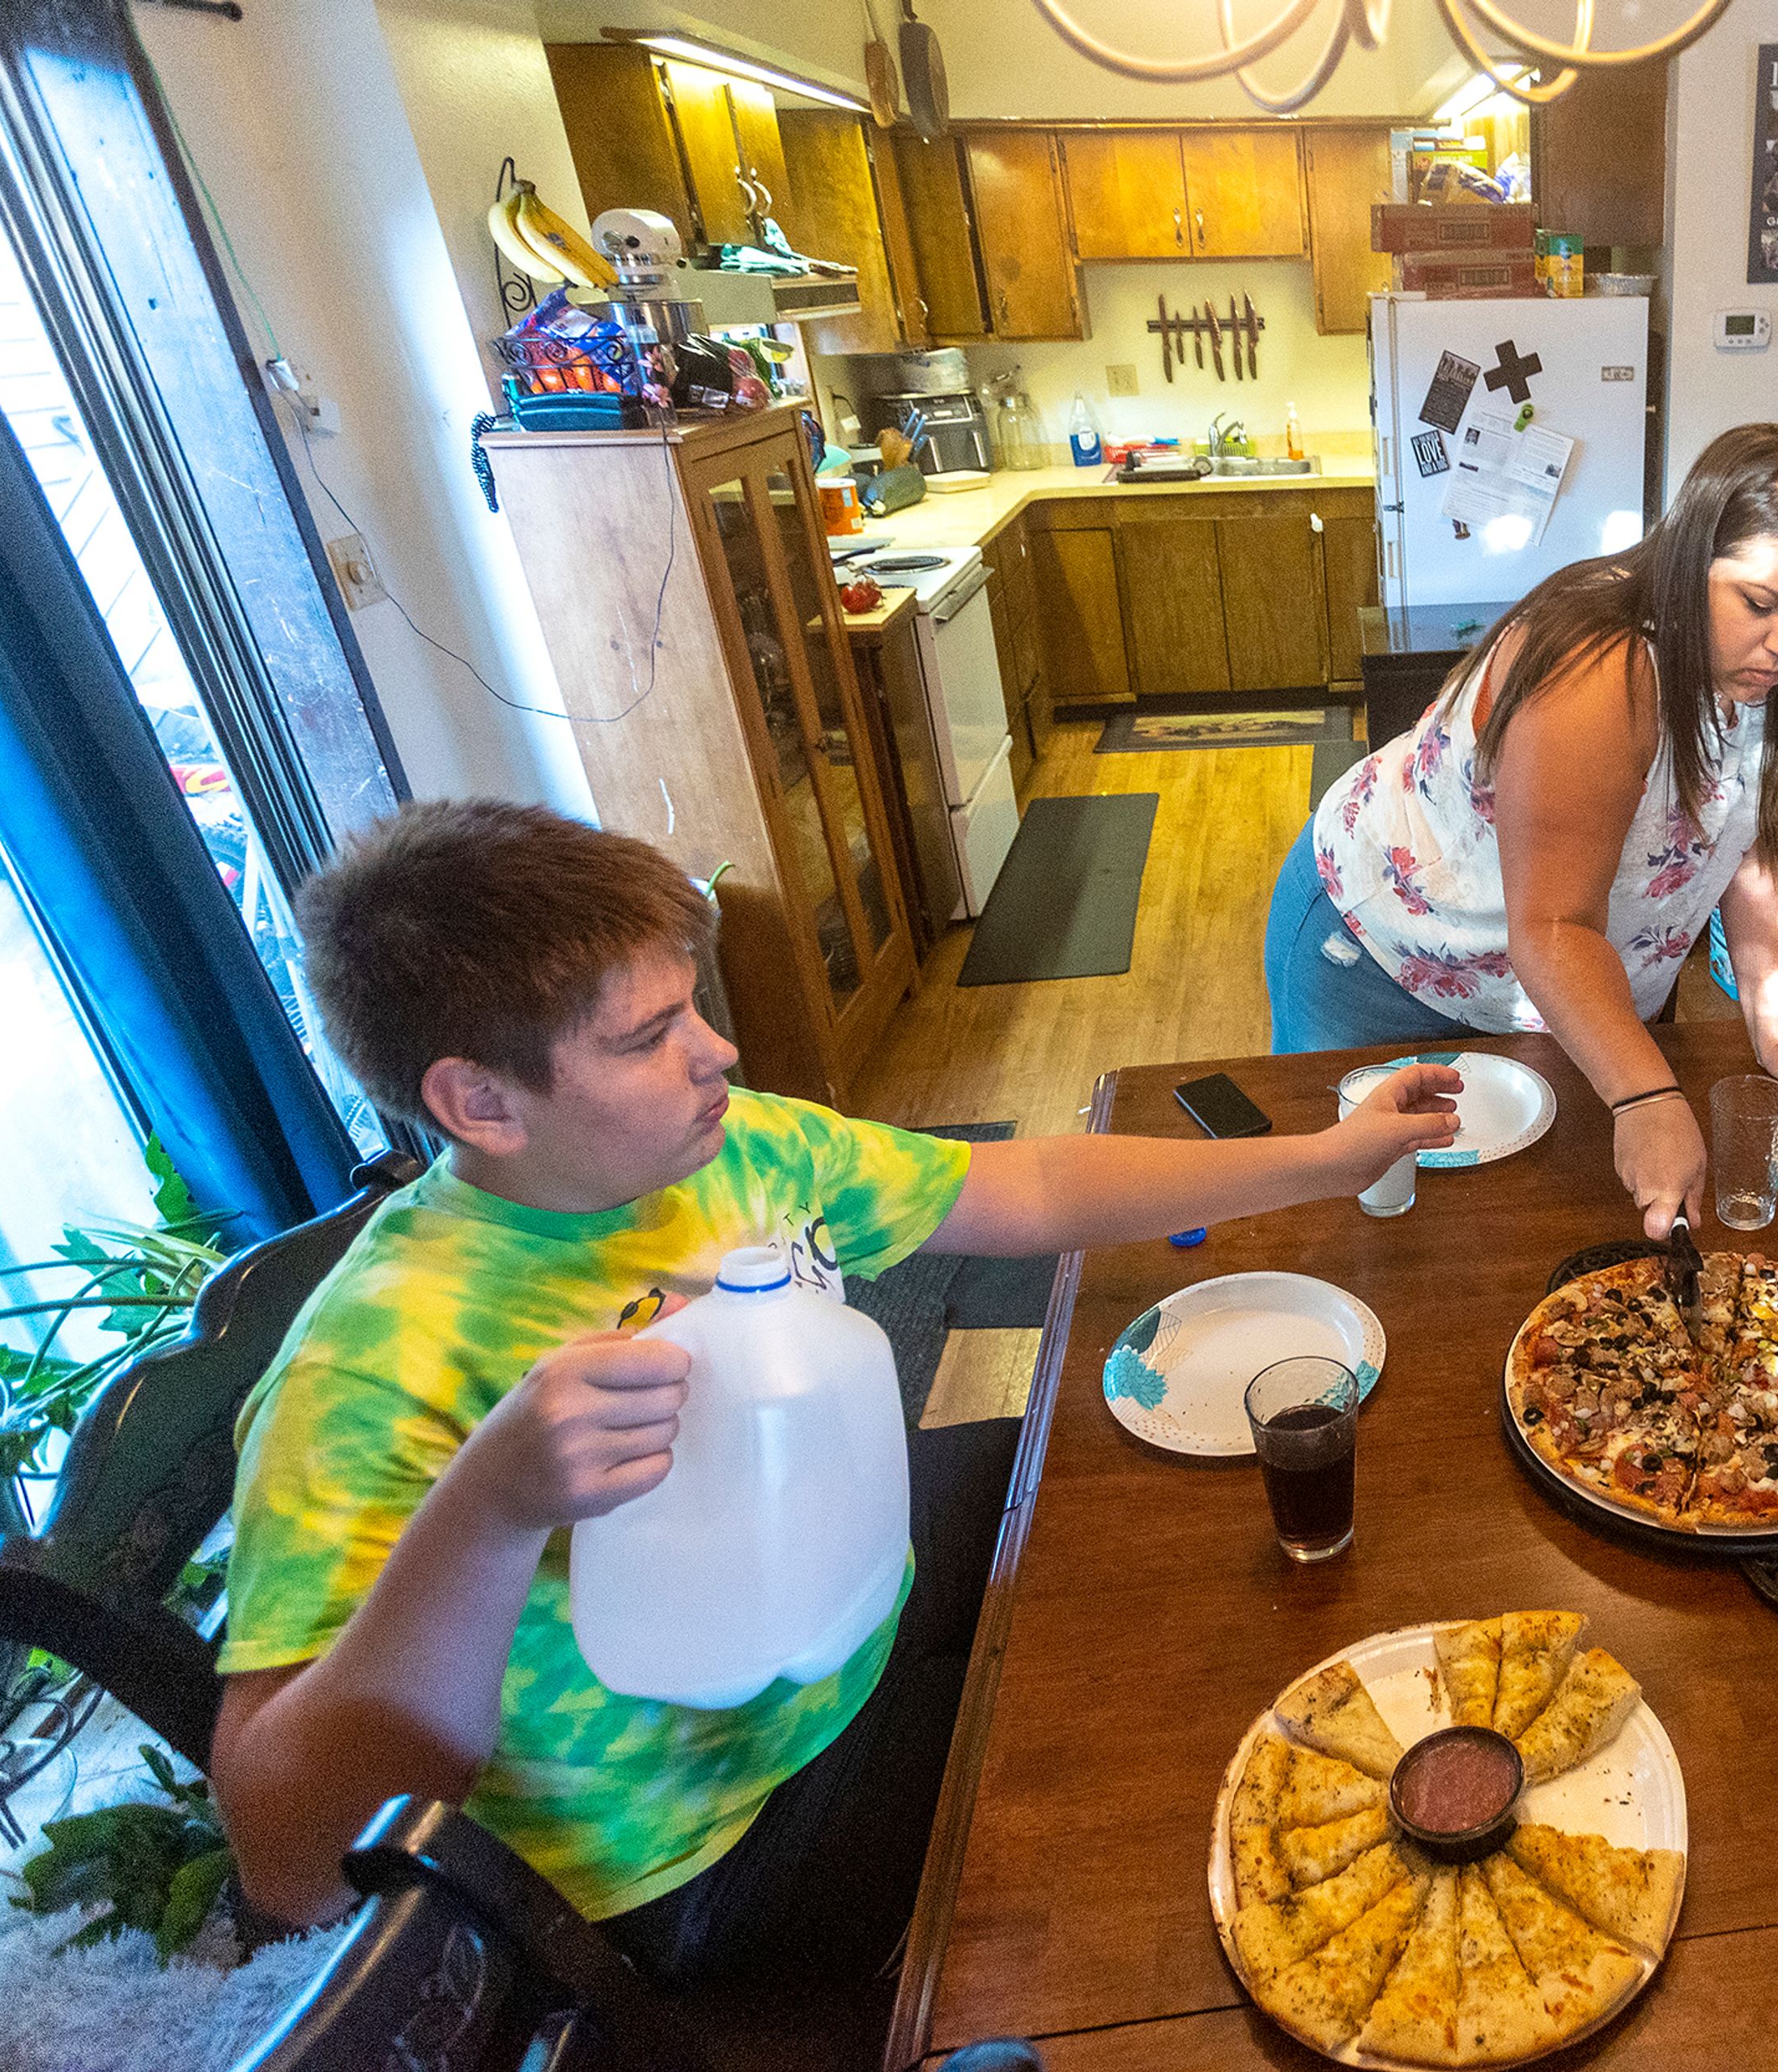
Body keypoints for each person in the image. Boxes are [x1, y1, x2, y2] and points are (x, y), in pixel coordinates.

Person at [211, 802, 1457, 1985]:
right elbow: (290, 1857)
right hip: (719, 1844)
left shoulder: (733, 1138)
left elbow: (1017, 1187)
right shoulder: (369, 1371)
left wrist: (1325, 1160)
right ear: (477, 1100)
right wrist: (490, 1507)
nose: (719, 1049)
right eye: (648, 1036)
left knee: (1147, 1524)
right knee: (1165, 1767)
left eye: (690, 1004)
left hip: (856, 1593)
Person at [1263, 423, 1778, 1239]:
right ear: (1688, 560)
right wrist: (1644, 1093)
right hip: (1385, 956)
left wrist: (1772, 1031)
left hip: (1566, 987)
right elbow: (1557, 925)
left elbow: (1765, 843)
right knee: (1367, 1227)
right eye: (1760, 603)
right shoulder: (1601, 666)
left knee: (1524, 1238)